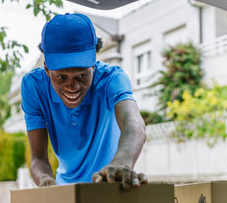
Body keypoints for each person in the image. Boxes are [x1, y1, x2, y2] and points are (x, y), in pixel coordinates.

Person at [21, 13, 147, 189]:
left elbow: (134, 125)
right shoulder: (34, 87)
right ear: (47, 69)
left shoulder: (112, 79)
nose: (71, 86)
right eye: (61, 77)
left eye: (81, 76)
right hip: (65, 190)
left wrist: (121, 164)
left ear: (93, 66)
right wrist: (44, 179)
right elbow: (38, 157)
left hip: (110, 185)